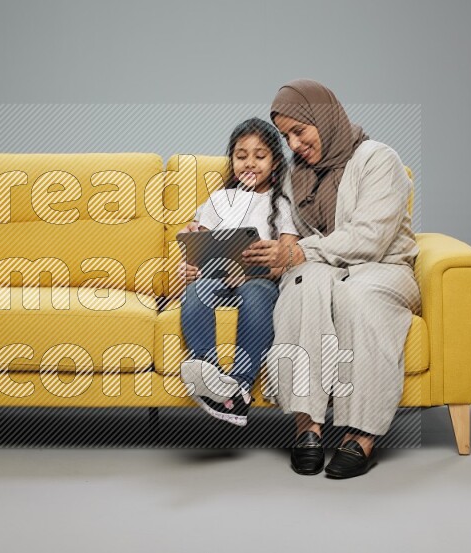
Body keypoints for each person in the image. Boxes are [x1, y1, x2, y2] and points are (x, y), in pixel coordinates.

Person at [241, 80, 421, 478]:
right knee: (304, 284)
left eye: (299, 131)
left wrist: (301, 252)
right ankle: (307, 426)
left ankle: (362, 435)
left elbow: (370, 238)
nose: (293, 144)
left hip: (383, 268)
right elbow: (283, 232)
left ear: (323, 118)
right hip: (323, 267)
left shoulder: (378, 159)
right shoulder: (294, 177)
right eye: (286, 136)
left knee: (356, 296)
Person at [178, 118, 301, 427]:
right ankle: (212, 380)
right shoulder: (218, 200)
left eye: (259, 156)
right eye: (241, 155)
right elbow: (197, 243)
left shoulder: (282, 203)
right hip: (216, 277)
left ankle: (240, 386)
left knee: (256, 294)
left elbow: (287, 257)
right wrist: (190, 261)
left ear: (274, 162)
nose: (249, 163)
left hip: (257, 279)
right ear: (231, 159)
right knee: (196, 292)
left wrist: (258, 270)